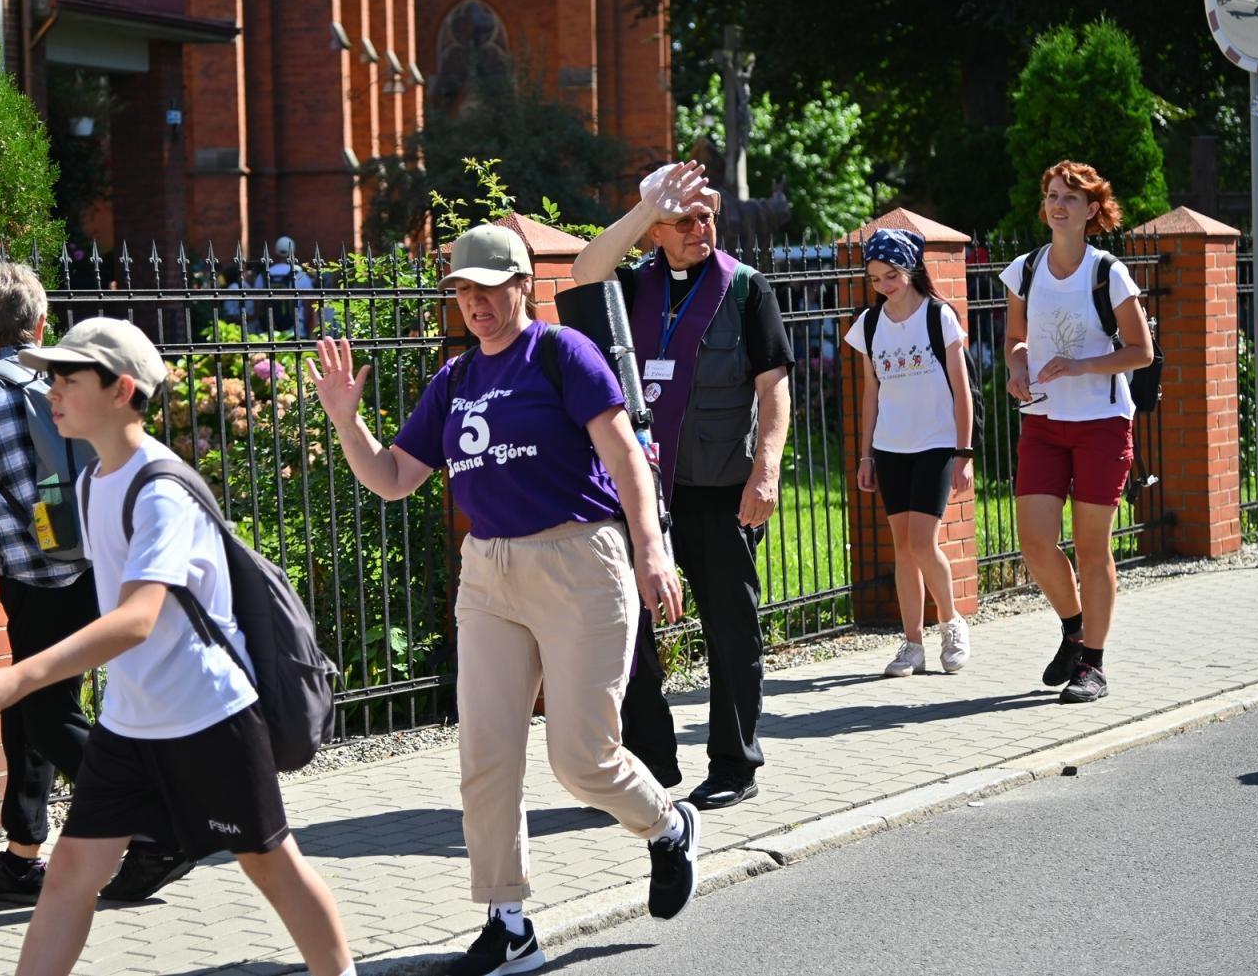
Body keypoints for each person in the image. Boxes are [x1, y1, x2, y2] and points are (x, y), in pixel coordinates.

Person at [309, 223, 700, 976]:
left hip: (579, 560)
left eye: (489, 287)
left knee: (582, 759)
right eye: (463, 289)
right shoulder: (454, 380)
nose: (475, 302)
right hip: (488, 572)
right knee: (486, 755)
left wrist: (652, 549)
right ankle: (508, 921)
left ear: (523, 283)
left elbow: (624, 454)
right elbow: (393, 478)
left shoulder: (563, 353)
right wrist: (345, 420)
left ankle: (666, 826)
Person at [0, 317, 358, 976]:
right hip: (130, 720)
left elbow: (137, 617)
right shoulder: (92, 480)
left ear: (120, 390)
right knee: (71, 873)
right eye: (52, 378)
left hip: (209, 716)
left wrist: (19, 678)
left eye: (68, 378)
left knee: (270, 865)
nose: (52, 391)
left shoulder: (160, 487)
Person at [0, 264, 192, 906]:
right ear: (42, 324)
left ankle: (157, 826)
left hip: (33, 572)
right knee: (29, 707)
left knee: (46, 715)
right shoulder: (65, 378)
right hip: (98, 559)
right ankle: (23, 855)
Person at [571, 162, 793, 811]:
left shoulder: (745, 288)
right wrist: (646, 208)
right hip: (641, 492)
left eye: (707, 216)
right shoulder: (633, 287)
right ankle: (650, 761)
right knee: (628, 630)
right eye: (684, 219)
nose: (701, 228)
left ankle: (734, 763)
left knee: (731, 630)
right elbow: (584, 270)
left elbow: (774, 386)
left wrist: (767, 469)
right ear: (656, 233)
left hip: (718, 488)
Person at [1001, 160, 1154, 704]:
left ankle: (1094, 664)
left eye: (1069, 197)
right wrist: (1018, 367)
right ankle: (1073, 628)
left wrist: (1079, 365)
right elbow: (1015, 339)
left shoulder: (1107, 272)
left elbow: (1141, 351)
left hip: (1101, 424)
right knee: (1035, 542)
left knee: (1092, 548)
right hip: (1042, 421)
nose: (1057, 205)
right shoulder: (1024, 269)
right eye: (1051, 196)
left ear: (1091, 210)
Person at [843, 229, 974, 677]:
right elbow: (870, 394)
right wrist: (866, 456)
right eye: (875, 279)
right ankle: (912, 645)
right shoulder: (869, 324)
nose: (884, 285)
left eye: (891, 275)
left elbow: (961, 389)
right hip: (890, 447)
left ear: (911, 269)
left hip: (936, 443)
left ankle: (951, 623)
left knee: (922, 542)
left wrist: (964, 452)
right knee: (902, 548)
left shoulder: (939, 316)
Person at [253, 235, 318, 338]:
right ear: (293, 253)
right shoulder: (300, 276)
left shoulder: (263, 276)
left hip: (267, 334)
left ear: (275, 252)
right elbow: (309, 309)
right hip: (296, 332)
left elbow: (257, 308)